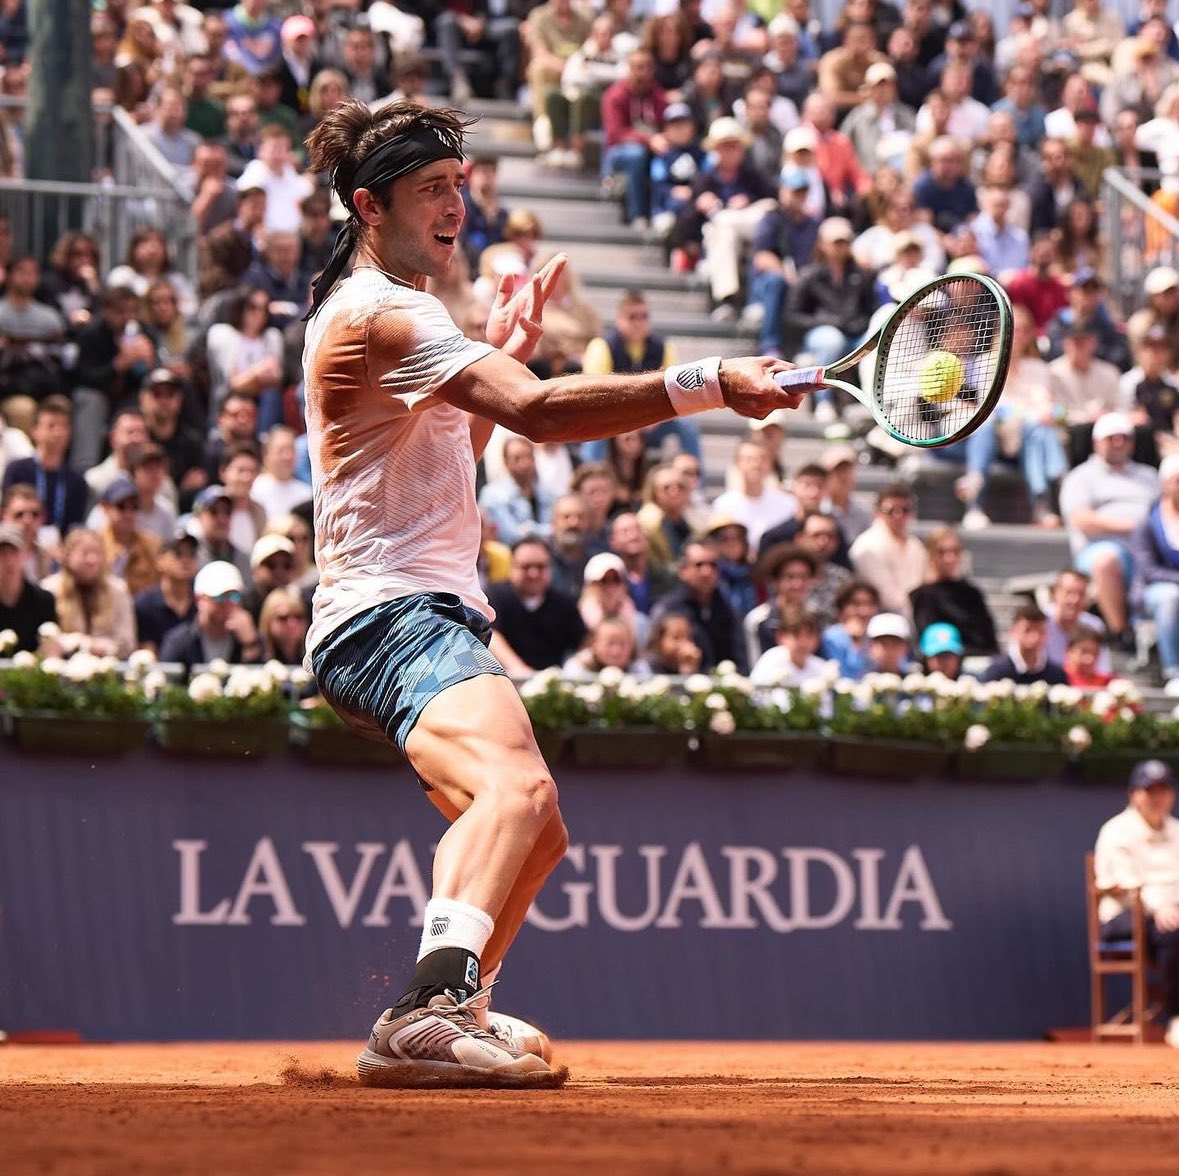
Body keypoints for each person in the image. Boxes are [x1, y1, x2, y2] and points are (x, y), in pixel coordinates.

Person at [298, 98, 809, 1088]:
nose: (455, 207)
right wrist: (710, 381)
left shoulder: (410, 316)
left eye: (459, 187)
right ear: (369, 205)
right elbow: (532, 412)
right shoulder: (379, 314)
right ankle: (430, 1010)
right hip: (387, 617)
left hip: (411, 612)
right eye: (430, 192)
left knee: (538, 823)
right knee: (514, 790)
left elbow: (466, 455)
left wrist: (501, 342)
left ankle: (455, 1001)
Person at [1094, 758, 1179, 1050]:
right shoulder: (1116, 831)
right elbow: (1129, 885)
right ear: (1134, 795)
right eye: (1149, 791)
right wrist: (1161, 907)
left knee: (1171, 925)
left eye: (1163, 790)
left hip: (1171, 914)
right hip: (1123, 916)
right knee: (1171, 931)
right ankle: (1177, 1020)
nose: (1157, 798)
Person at [1060, 412, 1159, 641]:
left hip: (1148, 549)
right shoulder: (1080, 477)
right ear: (1096, 443)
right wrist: (1134, 527)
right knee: (1106, 561)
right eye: (1111, 438)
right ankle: (1122, 633)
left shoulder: (1150, 477)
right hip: (1101, 549)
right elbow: (1083, 521)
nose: (1118, 443)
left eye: (1124, 437)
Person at [652, 539, 749, 673]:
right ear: (682, 570)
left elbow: (741, 660)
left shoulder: (729, 610)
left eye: (713, 565)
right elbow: (656, 659)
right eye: (699, 565)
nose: (707, 571)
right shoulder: (667, 610)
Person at [2, 395, 89, 538]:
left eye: (64, 426)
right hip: (18, 544)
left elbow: (75, 528)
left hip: (60, 552)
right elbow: (9, 517)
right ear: (35, 431)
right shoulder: (17, 470)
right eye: (51, 426)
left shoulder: (77, 480)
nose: (58, 433)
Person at [41, 529, 136, 658]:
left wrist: (103, 647)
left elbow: (127, 641)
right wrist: (81, 643)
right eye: (85, 553)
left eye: (97, 553)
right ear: (68, 556)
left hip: (108, 666)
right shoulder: (49, 589)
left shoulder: (118, 590)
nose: (92, 560)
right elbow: (46, 635)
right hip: (62, 665)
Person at [159, 559, 264, 669]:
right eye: (219, 597)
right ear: (199, 600)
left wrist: (251, 645)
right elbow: (168, 682)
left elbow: (261, 681)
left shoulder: (251, 638)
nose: (227, 603)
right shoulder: (179, 641)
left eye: (234, 596)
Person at [908, 527, 996, 655]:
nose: (949, 558)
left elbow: (989, 638)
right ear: (931, 555)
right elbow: (928, 642)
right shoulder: (923, 596)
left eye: (955, 551)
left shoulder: (972, 593)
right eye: (941, 552)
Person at [1131, 455, 1179, 686]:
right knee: (1170, 595)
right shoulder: (1147, 523)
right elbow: (1148, 570)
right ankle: (1173, 671)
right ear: (1164, 484)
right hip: (1151, 593)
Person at [849, 483, 927, 619]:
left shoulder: (916, 545)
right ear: (877, 512)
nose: (898, 515)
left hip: (914, 615)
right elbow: (886, 598)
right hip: (879, 619)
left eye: (905, 509)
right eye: (891, 510)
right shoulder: (866, 546)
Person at [710, 440, 797, 553]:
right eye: (749, 459)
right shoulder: (723, 505)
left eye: (762, 459)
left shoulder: (788, 504)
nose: (756, 464)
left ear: (770, 464)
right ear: (737, 464)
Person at [96, 474, 160, 598]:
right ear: (105, 508)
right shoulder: (96, 544)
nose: (129, 514)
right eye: (121, 507)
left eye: (134, 507)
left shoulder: (152, 545)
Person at [134, 531, 198, 652]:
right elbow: (147, 653)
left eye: (191, 553)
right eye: (178, 553)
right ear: (160, 560)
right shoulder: (145, 604)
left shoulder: (204, 600)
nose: (185, 559)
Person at [0, 521, 56, 653]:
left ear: (25, 554)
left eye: (14, 552)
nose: (9, 560)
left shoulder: (44, 600)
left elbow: (50, 649)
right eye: (2, 553)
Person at [981, 602, 1068, 685]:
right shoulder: (998, 672)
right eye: (1027, 630)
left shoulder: (1057, 675)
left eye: (1040, 631)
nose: (1034, 637)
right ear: (1013, 631)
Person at [1044, 568, 1110, 676]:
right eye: (1069, 593)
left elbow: (1102, 669)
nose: (1074, 600)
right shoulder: (1040, 622)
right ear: (1055, 593)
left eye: (1081, 594)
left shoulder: (1094, 625)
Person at [749, 607, 828, 686]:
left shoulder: (822, 668)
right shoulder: (769, 661)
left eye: (809, 635)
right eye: (796, 635)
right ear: (781, 636)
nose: (803, 643)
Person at [821, 577, 880, 679]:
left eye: (869, 604)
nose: (863, 611)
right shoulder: (831, 638)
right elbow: (844, 676)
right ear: (842, 607)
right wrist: (856, 642)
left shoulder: (879, 635)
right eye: (856, 604)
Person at [561, 615, 651, 680]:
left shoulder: (639, 669)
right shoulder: (577, 667)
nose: (616, 651)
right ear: (594, 644)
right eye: (610, 644)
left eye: (622, 644)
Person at [258, 582, 309, 664]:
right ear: (267, 621)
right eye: (283, 618)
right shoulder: (256, 655)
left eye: (299, 617)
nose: (293, 624)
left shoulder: (315, 656)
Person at [645, 610, 703, 674]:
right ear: (659, 640)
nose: (684, 643)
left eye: (688, 637)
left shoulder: (690, 665)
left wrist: (689, 670)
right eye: (676, 637)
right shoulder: (645, 669)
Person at [864, 610, 912, 674]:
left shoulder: (916, 681)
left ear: (906, 647)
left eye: (895, 643)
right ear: (870, 647)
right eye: (883, 643)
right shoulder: (858, 681)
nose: (889, 650)